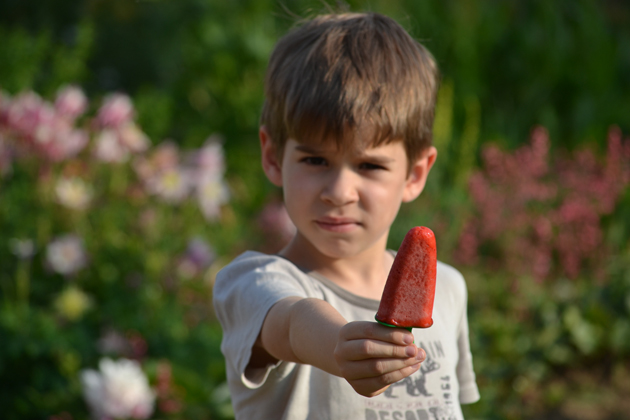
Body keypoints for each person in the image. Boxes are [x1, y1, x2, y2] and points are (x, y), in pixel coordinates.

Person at [213, 12, 479, 420]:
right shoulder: (253, 284)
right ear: (272, 157)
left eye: (370, 166)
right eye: (315, 159)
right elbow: (292, 322)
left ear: (415, 173)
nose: (339, 192)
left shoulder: (447, 289)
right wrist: (339, 343)